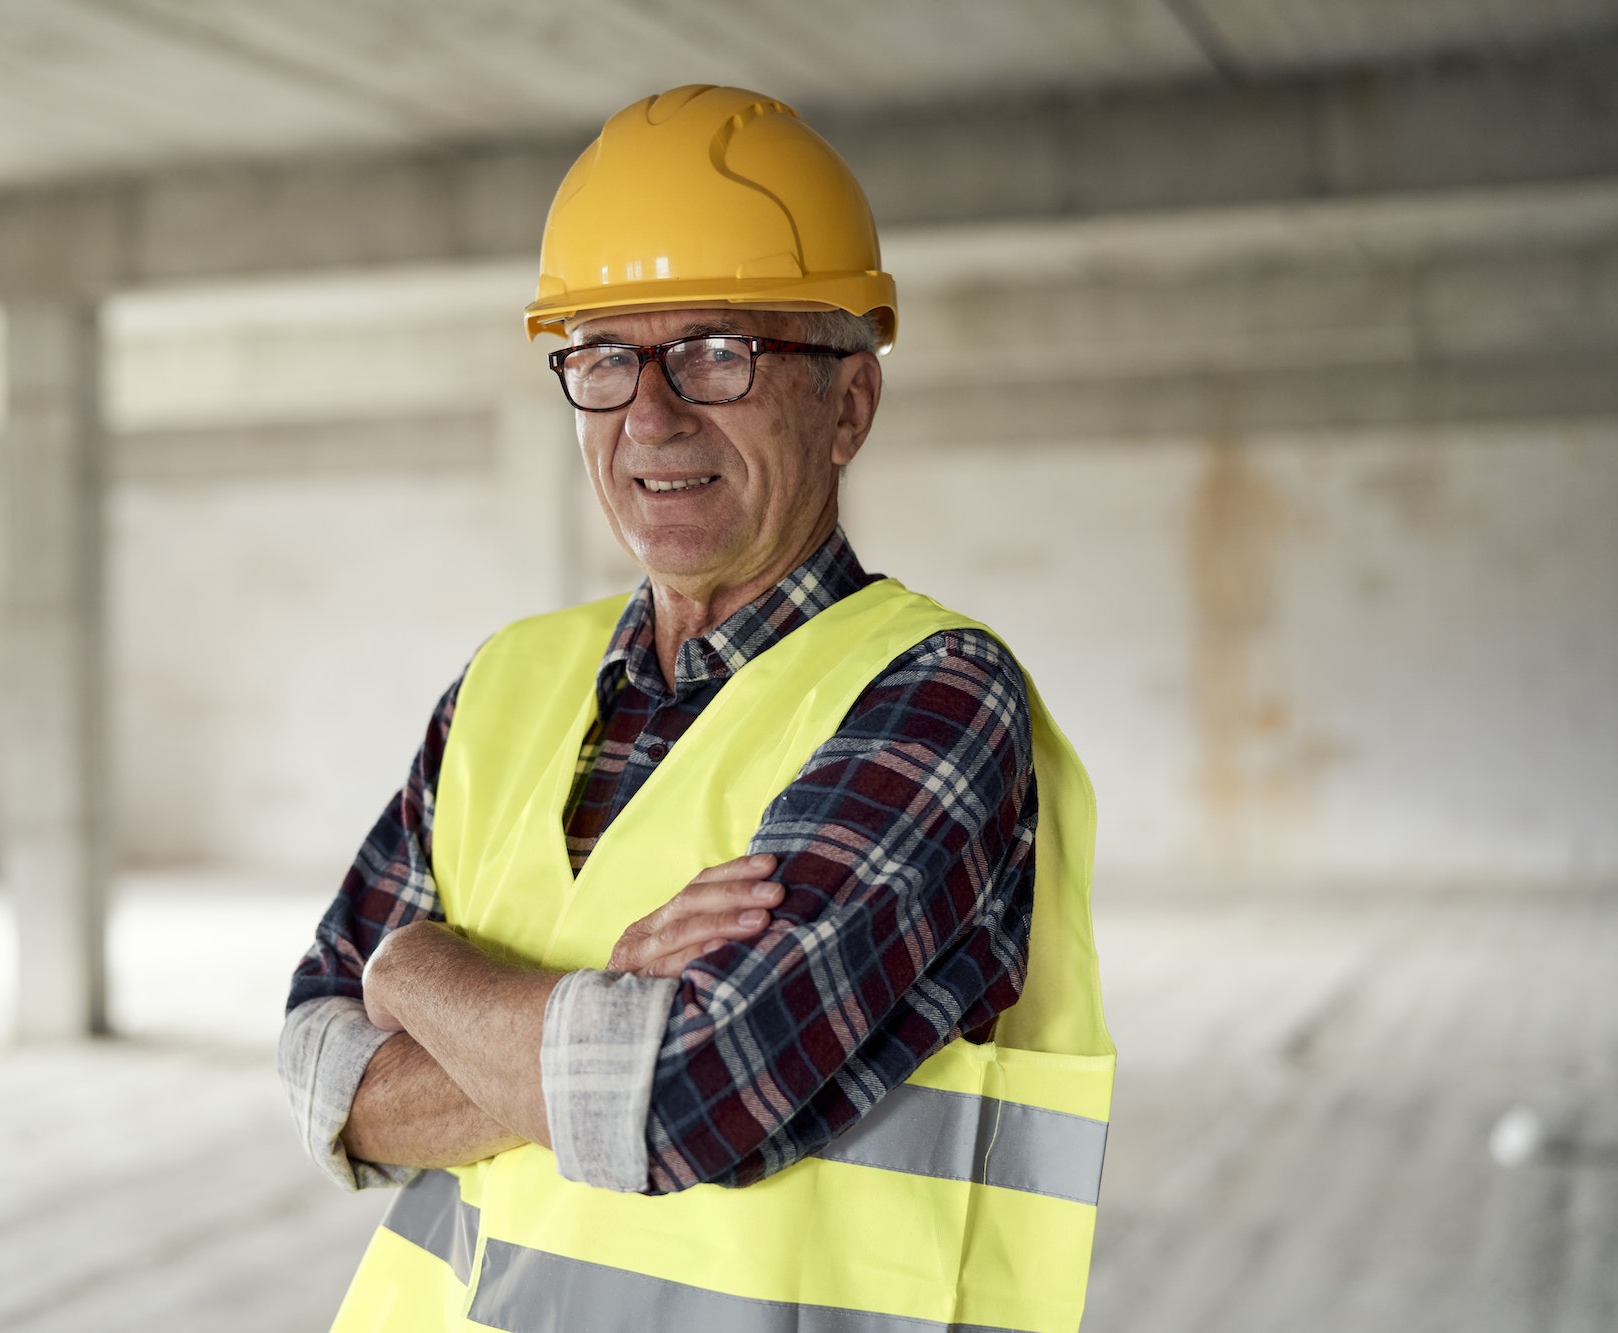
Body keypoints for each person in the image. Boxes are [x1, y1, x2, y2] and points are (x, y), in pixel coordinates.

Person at [281, 84, 1116, 1333]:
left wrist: (415, 969)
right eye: (607, 359)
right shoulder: (505, 684)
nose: (653, 416)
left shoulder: (932, 699)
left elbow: (682, 1095)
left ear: (846, 405)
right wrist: (589, 1008)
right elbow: (318, 1078)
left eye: (718, 353)